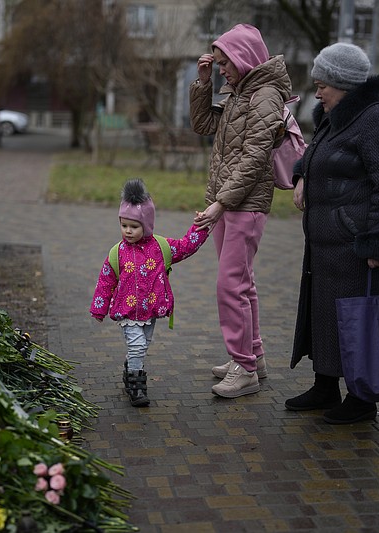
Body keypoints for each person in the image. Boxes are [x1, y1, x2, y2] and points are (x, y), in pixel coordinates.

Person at [285, 42, 379, 424]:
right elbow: (317, 153)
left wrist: (378, 243)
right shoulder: (334, 117)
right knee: (326, 315)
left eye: (323, 84)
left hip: (357, 246)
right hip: (327, 245)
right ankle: (325, 386)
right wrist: (303, 174)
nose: (317, 91)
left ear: (345, 84)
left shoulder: (376, 121)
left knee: (359, 320)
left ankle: (363, 399)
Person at [190, 24, 292, 398]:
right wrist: (202, 85)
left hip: (244, 203)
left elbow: (254, 157)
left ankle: (245, 369)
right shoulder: (239, 92)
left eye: (223, 63)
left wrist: (221, 202)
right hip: (229, 200)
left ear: (243, 58)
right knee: (242, 282)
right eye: (216, 64)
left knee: (229, 285)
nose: (220, 70)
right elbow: (204, 125)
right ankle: (254, 357)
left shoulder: (264, 95)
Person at [91, 179, 209, 407]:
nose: (128, 231)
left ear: (147, 225)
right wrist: (99, 308)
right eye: (124, 225)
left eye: (133, 226)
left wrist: (201, 227)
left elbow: (186, 246)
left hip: (151, 310)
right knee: (137, 346)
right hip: (127, 311)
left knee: (143, 345)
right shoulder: (117, 253)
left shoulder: (161, 247)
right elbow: (105, 280)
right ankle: (136, 385)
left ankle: (129, 368)